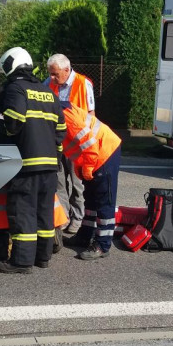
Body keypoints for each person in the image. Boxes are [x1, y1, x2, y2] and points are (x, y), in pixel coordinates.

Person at [0, 47, 65, 274]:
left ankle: (21, 262)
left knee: (23, 212)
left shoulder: (16, 89)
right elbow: (61, 130)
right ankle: (42, 257)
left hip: (26, 164)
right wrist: (55, 159)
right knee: (44, 213)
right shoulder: (47, 92)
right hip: (49, 167)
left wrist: (2, 127)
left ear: (12, 66)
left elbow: (13, 121)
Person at [59, 100, 122, 260]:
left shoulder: (64, 116)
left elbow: (89, 144)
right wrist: (81, 168)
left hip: (104, 151)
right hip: (95, 153)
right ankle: (85, 235)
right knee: (91, 199)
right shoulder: (57, 111)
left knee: (104, 200)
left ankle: (102, 245)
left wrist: (86, 169)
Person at [46, 54, 94, 234]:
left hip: (76, 143)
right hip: (57, 141)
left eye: (55, 74)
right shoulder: (48, 83)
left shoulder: (83, 83)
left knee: (77, 184)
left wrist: (86, 144)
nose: (52, 78)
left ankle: (78, 218)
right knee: (58, 183)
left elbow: (91, 115)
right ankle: (64, 217)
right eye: (50, 74)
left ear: (67, 70)